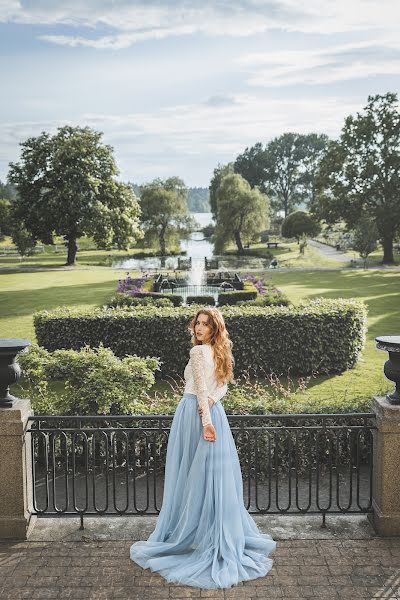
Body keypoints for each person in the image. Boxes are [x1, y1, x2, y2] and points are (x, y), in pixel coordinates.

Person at [130, 307, 276, 589]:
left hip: (196, 416)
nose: (199, 328)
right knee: (211, 478)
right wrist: (210, 408)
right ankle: (207, 532)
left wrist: (206, 421)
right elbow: (221, 389)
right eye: (198, 323)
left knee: (192, 475)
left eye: (206, 324)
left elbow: (200, 389)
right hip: (213, 414)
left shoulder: (198, 353)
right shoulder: (218, 352)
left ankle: (193, 533)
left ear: (214, 328)